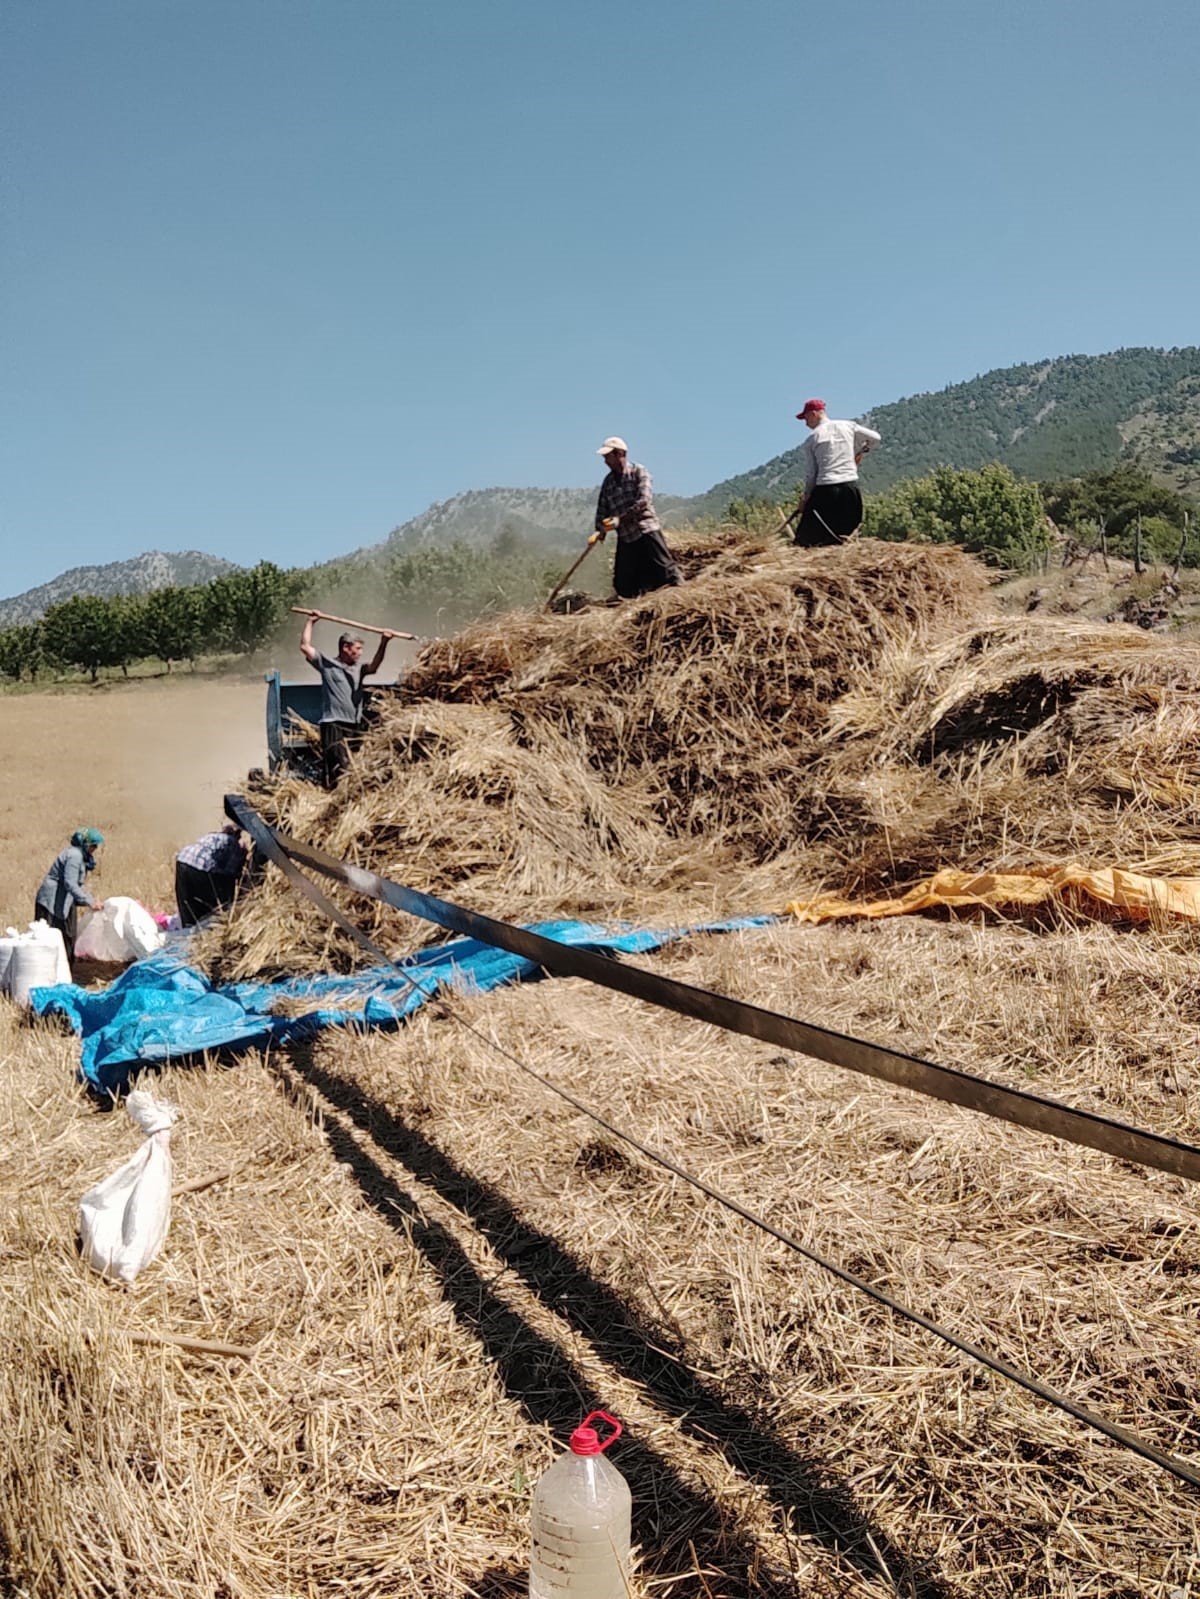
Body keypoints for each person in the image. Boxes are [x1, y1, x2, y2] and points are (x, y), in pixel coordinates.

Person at [299, 614, 397, 788]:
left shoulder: (359, 669)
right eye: (357, 649)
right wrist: (310, 622)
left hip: (354, 725)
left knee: (355, 766)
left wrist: (384, 642)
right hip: (333, 724)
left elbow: (374, 666)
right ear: (345, 648)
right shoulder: (327, 664)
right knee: (341, 767)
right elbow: (305, 647)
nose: (360, 653)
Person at [594, 437, 681, 599]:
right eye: (604, 457)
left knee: (664, 569)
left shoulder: (639, 472)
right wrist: (600, 529)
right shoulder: (608, 482)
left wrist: (620, 519)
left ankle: (681, 596)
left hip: (646, 530)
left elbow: (643, 502)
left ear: (620, 454)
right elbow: (602, 508)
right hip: (626, 536)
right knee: (623, 583)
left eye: (608, 457)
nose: (605, 461)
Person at [792, 399, 881, 546]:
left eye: (806, 418)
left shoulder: (812, 438)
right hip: (850, 488)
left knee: (806, 541)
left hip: (826, 490)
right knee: (844, 536)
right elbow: (876, 438)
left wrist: (806, 498)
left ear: (814, 414)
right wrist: (860, 453)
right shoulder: (848, 426)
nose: (806, 423)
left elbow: (812, 473)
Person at [35, 828, 105, 962]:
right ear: (84, 844)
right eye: (93, 846)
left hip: (66, 901)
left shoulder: (81, 857)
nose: (95, 849)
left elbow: (78, 885)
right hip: (51, 902)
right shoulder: (75, 855)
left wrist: (91, 899)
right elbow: (70, 883)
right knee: (50, 938)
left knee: (68, 937)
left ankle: (66, 971)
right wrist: (89, 902)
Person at [175, 822, 250, 927]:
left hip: (183, 859)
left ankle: (187, 927)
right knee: (213, 902)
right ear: (237, 835)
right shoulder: (232, 843)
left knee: (186, 901)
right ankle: (210, 925)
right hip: (202, 866)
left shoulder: (211, 836)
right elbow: (230, 874)